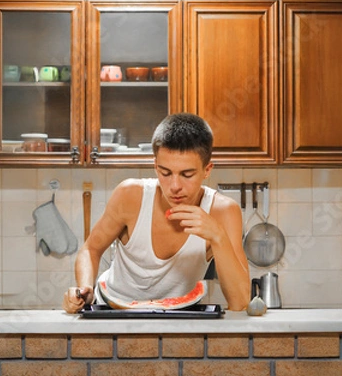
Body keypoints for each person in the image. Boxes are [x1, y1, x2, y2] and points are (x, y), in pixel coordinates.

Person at [63, 113, 250, 313]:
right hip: (112, 311)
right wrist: (85, 288)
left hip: (178, 320)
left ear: (207, 170)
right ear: (155, 166)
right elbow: (90, 249)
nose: (175, 186)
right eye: (165, 173)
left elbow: (240, 302)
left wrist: (218, 236)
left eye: (187, 174)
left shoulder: (224, 211)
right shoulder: (130, 195)